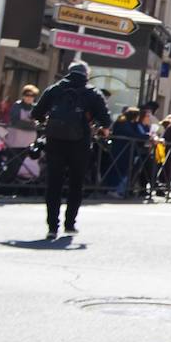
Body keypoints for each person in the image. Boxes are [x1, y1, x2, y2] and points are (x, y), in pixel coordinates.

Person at [31, 62, 111, 239]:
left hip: (54, 141)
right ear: (86, 75)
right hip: (80, 142)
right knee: (76, 184)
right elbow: (105, 119)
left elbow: (36, 112)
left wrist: (46, 121)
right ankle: (70, 224)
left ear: (69, 72)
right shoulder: (92, 92)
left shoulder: (54, 89)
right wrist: (102, 128)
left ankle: (52, 227)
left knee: (53, 184)